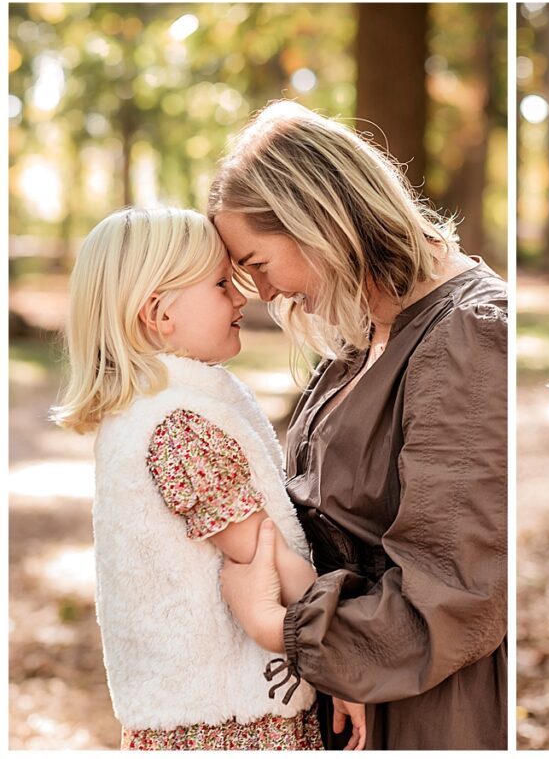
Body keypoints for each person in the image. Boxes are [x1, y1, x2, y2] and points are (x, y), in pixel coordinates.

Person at [206, 100, 507, 750]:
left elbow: (456, 585)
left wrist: (277, 626)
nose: (264, 292)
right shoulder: (363, 332)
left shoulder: (469, 335)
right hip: (357, 686)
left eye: (258, 262)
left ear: (316, 217)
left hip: (427, 705)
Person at [50, 207, 366, 749]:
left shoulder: (171, 406)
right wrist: (347, 657)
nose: (242, 297)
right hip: (226, 723)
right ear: (160, 313)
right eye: (222, 283)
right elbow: (263, 550)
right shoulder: (177, 426)